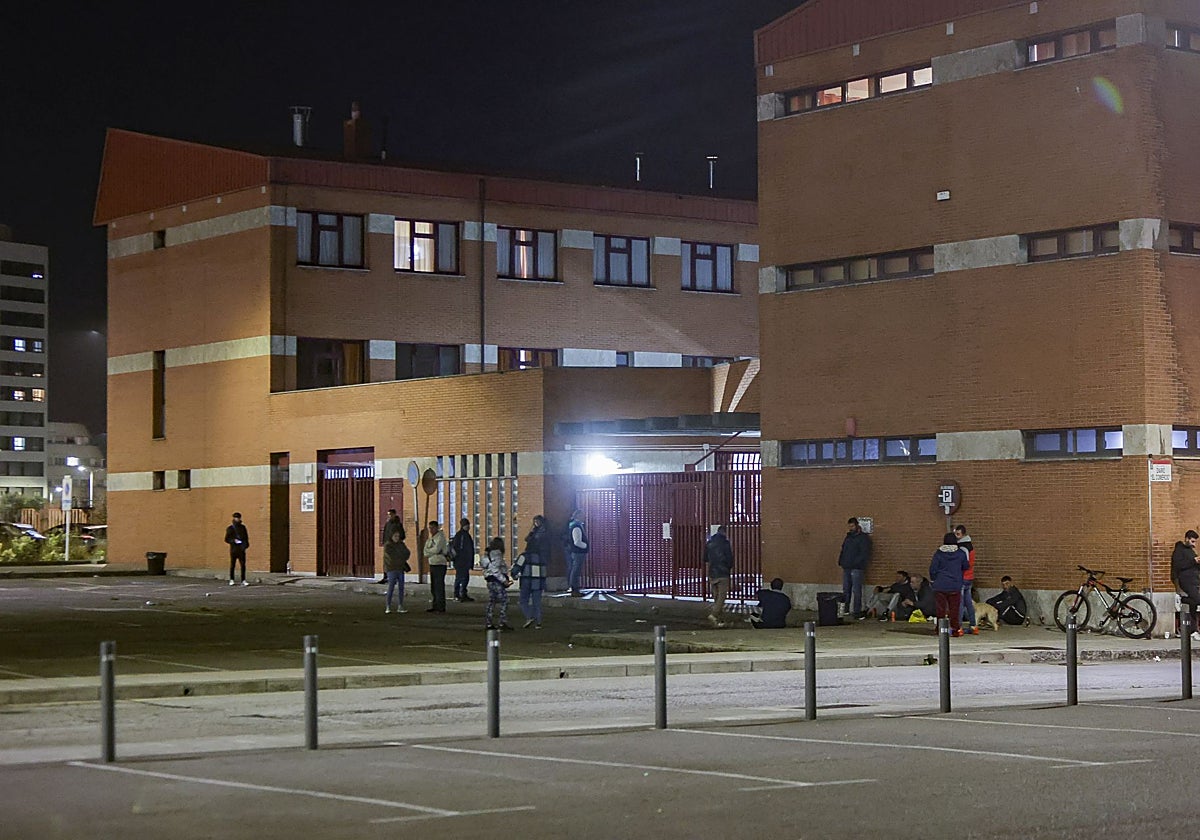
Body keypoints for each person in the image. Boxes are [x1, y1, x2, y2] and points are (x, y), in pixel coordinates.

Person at [514, 515, 551, 628]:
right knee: (537, 602)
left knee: (523, 600)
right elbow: (544, 571)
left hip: (526, 581)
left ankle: (529, 617)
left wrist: (514, 575)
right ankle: (538, 622)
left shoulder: (525, 556)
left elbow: (517, 568)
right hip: (538, 582)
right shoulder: (542, 558)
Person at [929, 532, 969, 636]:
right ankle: (955, 630)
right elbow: (966, 566)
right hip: (955, 585)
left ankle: (940, 629)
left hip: (940, 585)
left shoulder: (938, 553)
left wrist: (934, 579)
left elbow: (933, 569)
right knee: (954, 610)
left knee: (940, 610)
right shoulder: (961, 553)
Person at [837, 517, 872, 618]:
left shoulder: (863, 538)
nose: (851, 528)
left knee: (856, 590)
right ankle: (846, 609)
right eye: (850, 526)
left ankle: (857, 610)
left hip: (857, 567)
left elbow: (864, 553)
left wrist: (857, 562)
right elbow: (843, 549)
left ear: (857, 525)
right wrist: (841, 561)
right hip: (847, 566)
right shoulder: (848, 537)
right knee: (846, 589)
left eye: (852, 526)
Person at [1171, 530, 1200, 640]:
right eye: (1192, 541)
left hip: (1194, 580)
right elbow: (1178, 566)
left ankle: (1193, 630)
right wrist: (1193, 561)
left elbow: (1193, 565)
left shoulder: (1191, 551)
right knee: (1197, 599)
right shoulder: (1179, 550)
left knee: (1193, 605)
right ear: (1187, 539)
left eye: (1195, 542)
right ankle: (1182, 598)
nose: (1194, 544)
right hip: (1185, 580)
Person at [480, 536, 514, 631]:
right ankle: (502, 622)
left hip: (490, 581)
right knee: (505, 600)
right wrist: (504, 580)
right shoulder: (497, 555)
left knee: (492, 602)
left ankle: (489, 622)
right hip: (497, 581)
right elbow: (495, 570)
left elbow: (486, 568)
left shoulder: (487, 556)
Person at [705, 525, 734, 625]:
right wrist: (729, 567)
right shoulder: (725, 543)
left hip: (712, 572)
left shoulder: (709, 543)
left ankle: (719, 619)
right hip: (723, 573)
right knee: (722, 596)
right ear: (724, 532)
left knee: (716, 596)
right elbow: (730, 558)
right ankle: (714, 614)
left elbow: (705, 558)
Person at [955, 524, 978, 634]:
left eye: (958, 534)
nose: (956, 536)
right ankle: (973, 625)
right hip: (970, 577)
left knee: (960, 602)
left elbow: (965, 563)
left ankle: (958, 627)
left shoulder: (963, 547)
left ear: (962, 534)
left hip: (963, 577)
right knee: (969, 602)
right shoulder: (970, 546)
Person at [423, 520, 450, 613]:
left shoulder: (440, 537)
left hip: (440, 564)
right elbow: (425, 551)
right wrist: (430, 551)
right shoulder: (430, 539)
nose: (431, 530)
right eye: (429, 528)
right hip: (432, 564)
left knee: (439, 586)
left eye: (432, 528)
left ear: (437, 527)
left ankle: (441, 606)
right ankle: (435, 605)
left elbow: (436, 549)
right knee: (433, 587)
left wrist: (430, 551)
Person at [382, 529, 411, 614]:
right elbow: (391, 557)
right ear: (391, 536)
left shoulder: (401, 544)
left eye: (398, 536)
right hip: (392, 569)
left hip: (400, 568)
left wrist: (400, 557)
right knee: (391, 587)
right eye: (395, 536)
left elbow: (407, 553)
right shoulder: (388, 545)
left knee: (401, 588)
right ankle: (388, 606)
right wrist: (401, 557)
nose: (397, 538)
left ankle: (400, 606)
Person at [450, 518, 476, 602]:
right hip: (462, 561)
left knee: (463, 578)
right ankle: (458, 594)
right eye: (467, 525)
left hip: (462, 561)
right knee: (461, 578)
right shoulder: (462, 535)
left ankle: (461, 594)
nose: (468, 527)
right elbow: (463, 549)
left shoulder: (461, 535)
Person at [565, 509, 589, 597]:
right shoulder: (576, 526)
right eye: (582, 515)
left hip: (575, 551)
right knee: (576, 570)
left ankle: (574, 588)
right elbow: (577, 541)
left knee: (574, 570)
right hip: (578, 552)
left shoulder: (573, 525)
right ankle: (574, 589)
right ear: (578, 516)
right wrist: (585, 546)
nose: (584, 517)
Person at [377, 508, 405, 584]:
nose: (389, 516)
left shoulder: (398, 524)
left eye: (390, 514)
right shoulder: (387, 523)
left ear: (394, 514)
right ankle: (385, 577)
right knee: (386, 562)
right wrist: (384, 542)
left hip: (394, 546)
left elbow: (402, 535)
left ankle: (394, 578)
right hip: (387, 545)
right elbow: (385, 533)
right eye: (388, 515)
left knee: (394, 562)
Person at [225, 512, 250, 586]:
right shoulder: (230, 528)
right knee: (233, 564)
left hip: (241, 549)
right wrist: (233, 541)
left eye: (238, 518)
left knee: (243, 565)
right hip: (234, 549)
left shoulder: (243, 527)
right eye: (236, 517)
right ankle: (232, 579)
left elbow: (246, 538)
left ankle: (243, 579)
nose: (237, 519)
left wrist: (245, 546)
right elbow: (226, 539)